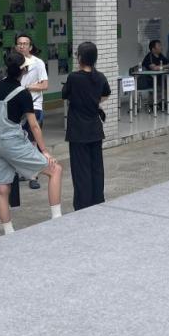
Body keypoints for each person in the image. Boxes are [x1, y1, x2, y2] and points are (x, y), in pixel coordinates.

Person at [0, 51, 64, 235]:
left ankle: (8, 232)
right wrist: (44, 151)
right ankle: (57, 219)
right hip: (12, 144)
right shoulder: (23, 94)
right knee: (55, 170)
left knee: (2, 189)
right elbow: (34, 126)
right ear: (24, 70)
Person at [62, 42, 111, 211]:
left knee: (80, 169)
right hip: (95, 128)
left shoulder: (74, 77)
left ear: (81, 57)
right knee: (97, 167)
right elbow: (106, 94)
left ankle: (83, 204)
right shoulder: (100, 77)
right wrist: (94, 101)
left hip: (78, 130)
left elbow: (65, 94)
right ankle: (98, 199)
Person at [15, 33, 49, 190]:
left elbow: (44, 85)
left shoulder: (38, 63)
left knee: (33, 140)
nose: (22, 46)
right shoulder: (14, 63)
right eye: (19, 43)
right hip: (17, 107)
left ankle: (34, 176)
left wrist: (27, 88)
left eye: (25, 43)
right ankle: (23, 172)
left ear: (30, 46)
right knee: (20, 141)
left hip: (34, 105)